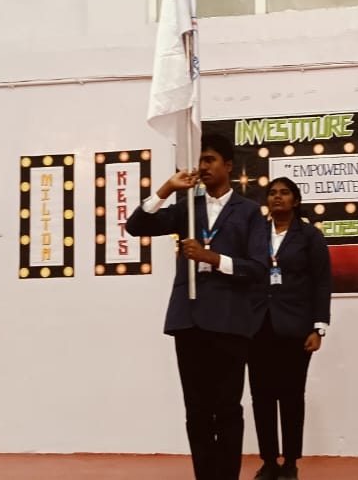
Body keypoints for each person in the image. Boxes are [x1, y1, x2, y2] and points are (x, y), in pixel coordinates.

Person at [126, 134, 268, 480]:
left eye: (209, 160)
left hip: (230, 322)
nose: (202, 167)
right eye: (200, 161)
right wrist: (166, 189)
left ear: (228, 166)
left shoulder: (249, 212)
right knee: (197, 410)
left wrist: (212, 258)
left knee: (227, 409)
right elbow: (136, 226)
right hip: (189, 321)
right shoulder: (188, 208)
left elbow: (258, 268)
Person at [247, 178, 332, 480]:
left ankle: (291, 462)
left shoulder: (309, 236)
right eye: (272, 193)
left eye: (284, 193)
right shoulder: (255, 234)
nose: (277, 197)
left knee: (292, 396)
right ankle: (269, 461)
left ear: (295, 201)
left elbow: (322, 282)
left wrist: (318, 328)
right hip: (258, 327)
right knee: (262, 397)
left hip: (296, 328)